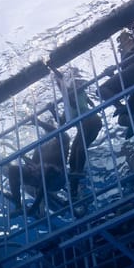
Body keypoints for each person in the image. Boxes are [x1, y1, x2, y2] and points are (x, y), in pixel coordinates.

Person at [48, 64, 102, 200]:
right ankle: (74, 191)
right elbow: (61, 123)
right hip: (88, 124)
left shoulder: (76, 93)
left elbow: (66, 89)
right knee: (72, 158)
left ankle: (78, 172)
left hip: (90, 120)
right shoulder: (68, 108)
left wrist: (53, 70)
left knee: (79, 148)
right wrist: (52, 110)